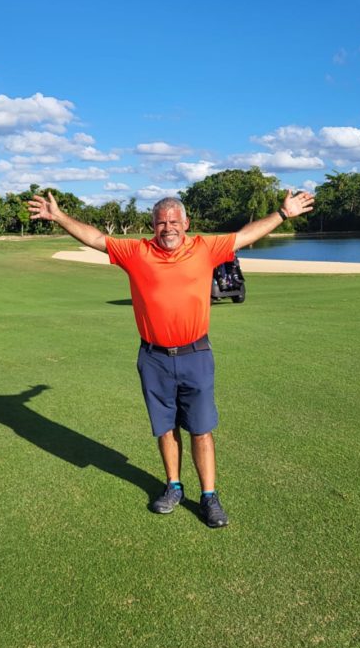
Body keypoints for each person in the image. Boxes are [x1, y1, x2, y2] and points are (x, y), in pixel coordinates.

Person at [27, 189, 314, 528]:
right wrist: (59, 216)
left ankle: (209, 496)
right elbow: (97, 239)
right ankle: (173, 486)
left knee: (201, 429)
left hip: (196, 355)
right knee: (165, 428)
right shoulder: (137, 252)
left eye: (174, 221)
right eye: (161, 222)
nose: (168, 228)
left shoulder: (206, 248)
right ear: (153, 226)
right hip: (154, 358)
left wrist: (282, 214)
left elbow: (244, 236)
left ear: (186, 223)